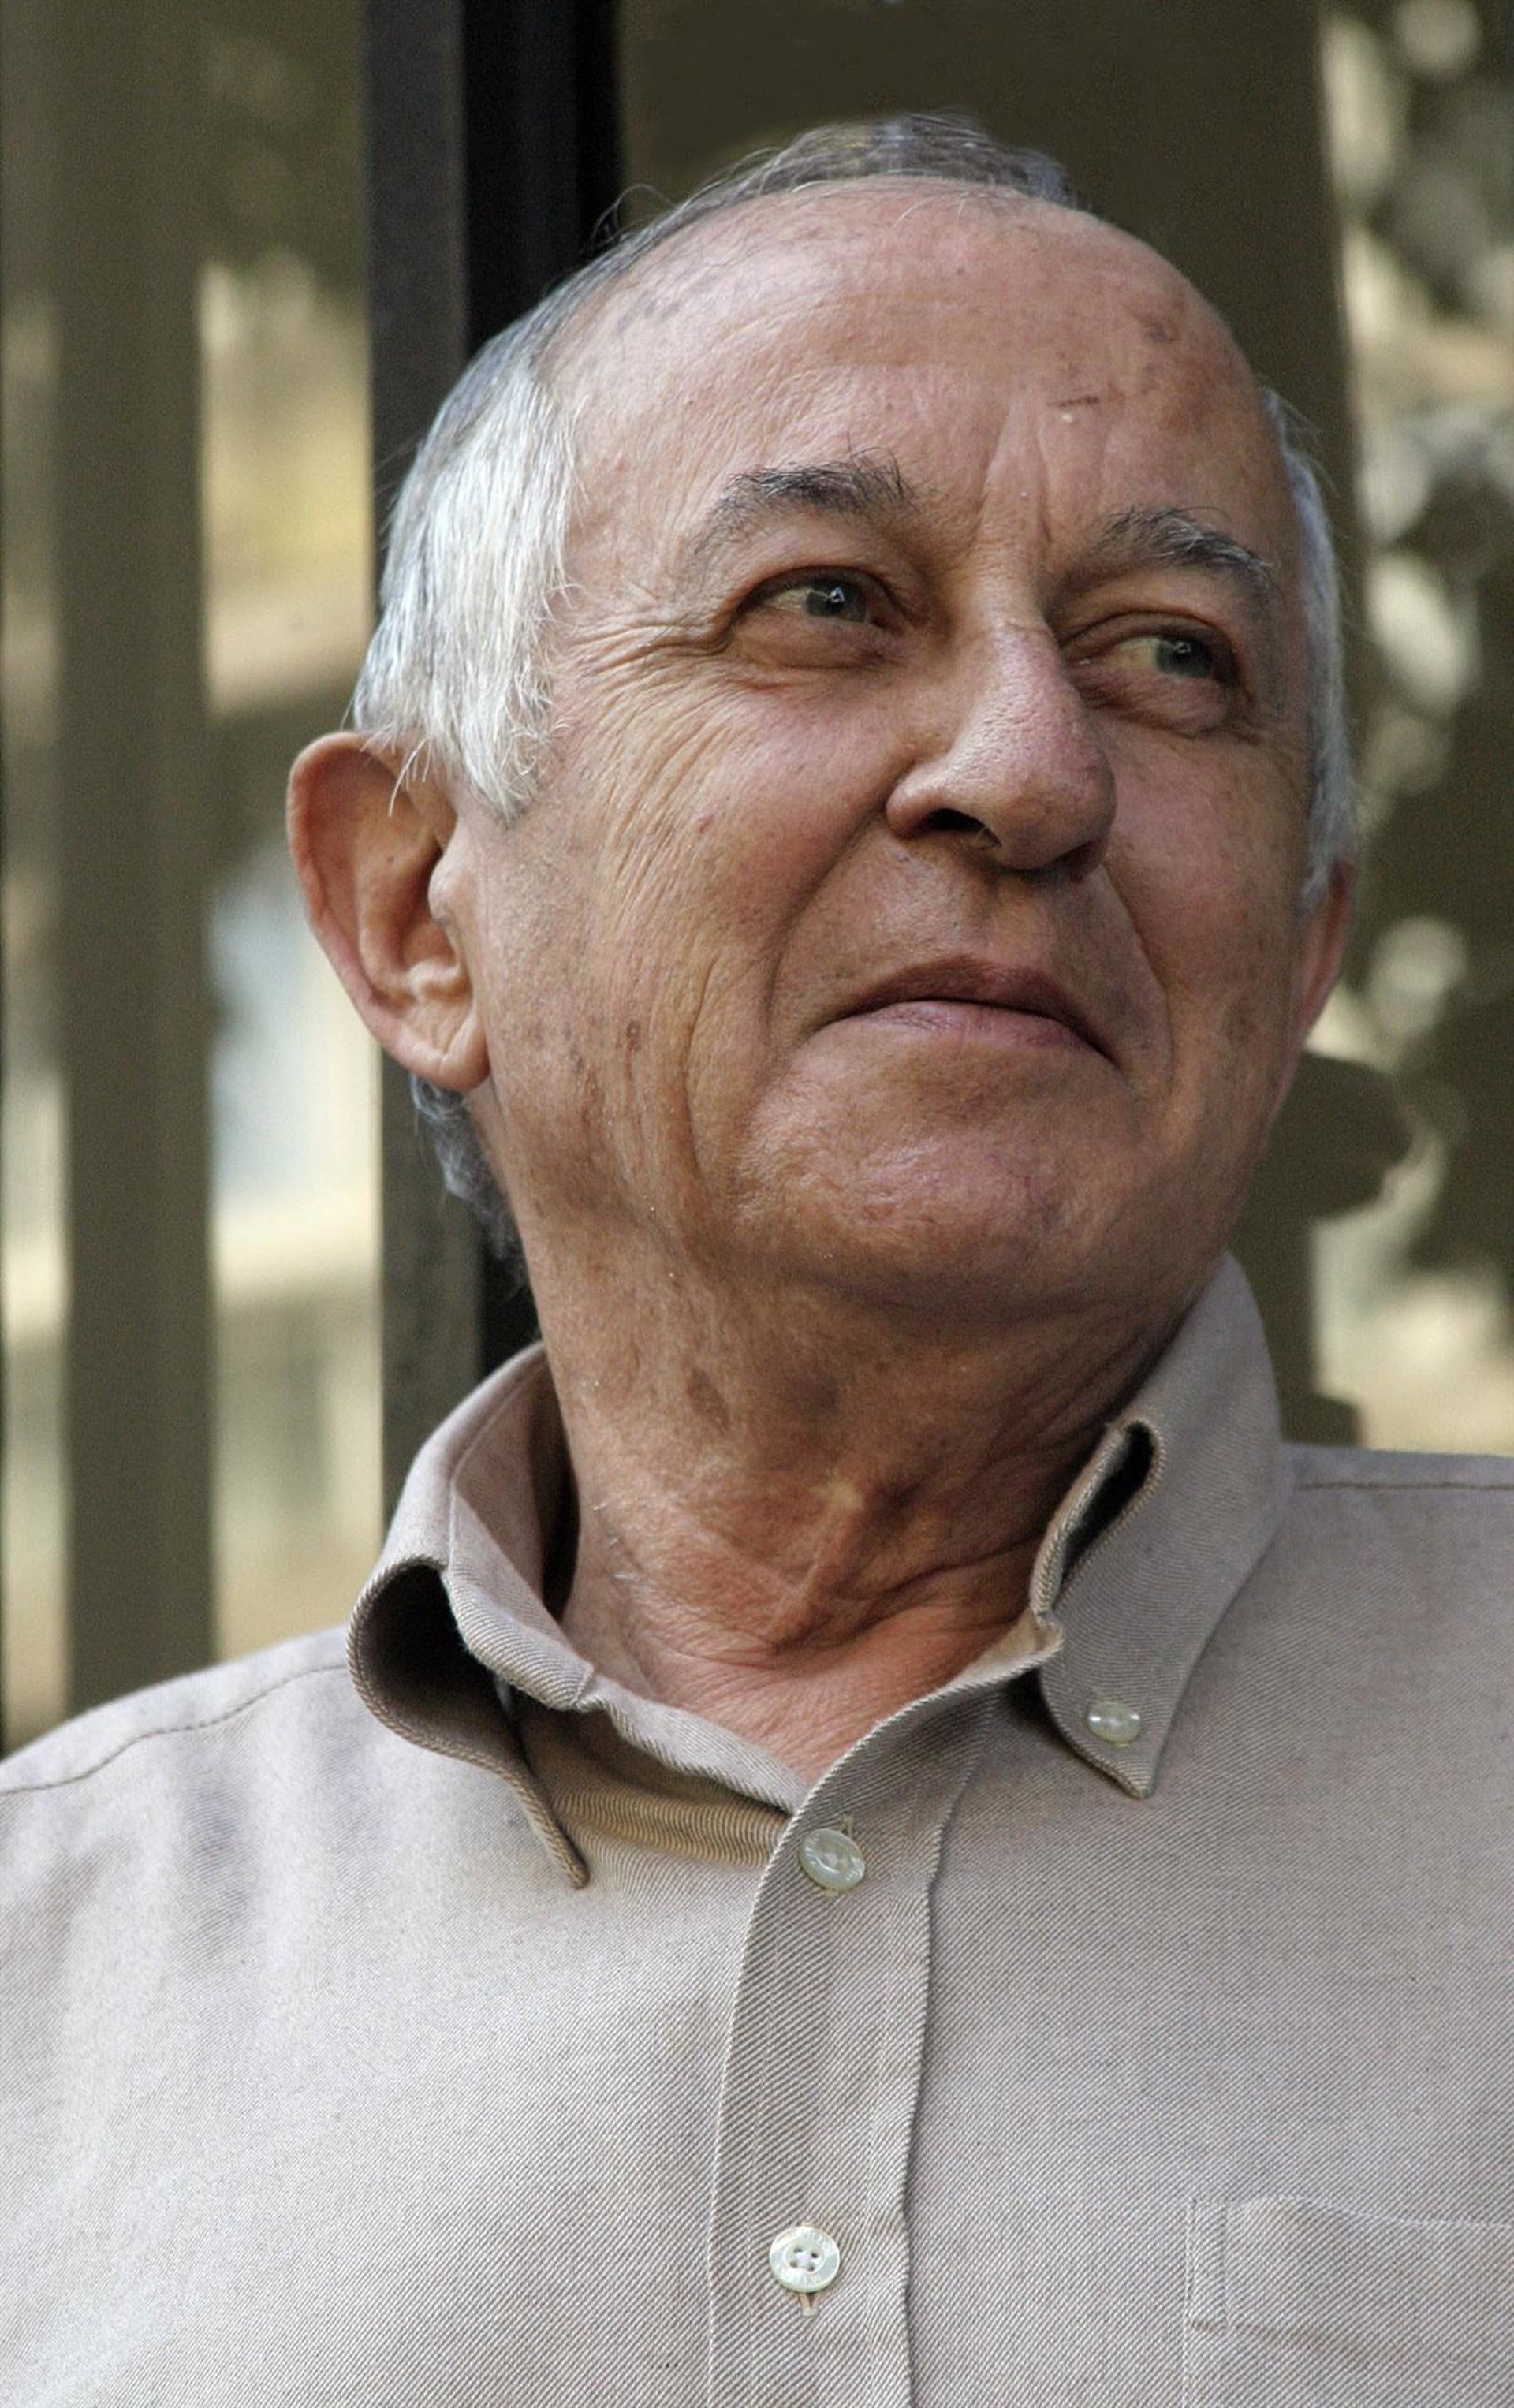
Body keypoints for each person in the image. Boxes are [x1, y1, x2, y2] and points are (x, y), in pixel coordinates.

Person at [5, 115, 1510, 2407]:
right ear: (415, 911)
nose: (1031, 769)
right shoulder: (49, 1985)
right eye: (825, 604)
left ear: (1301, 961)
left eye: (1171, 654)